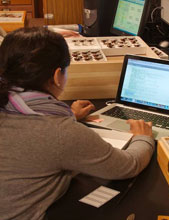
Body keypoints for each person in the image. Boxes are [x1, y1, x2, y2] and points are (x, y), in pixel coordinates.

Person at [0, 27, 154, 220]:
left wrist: (70, 115)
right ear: (57, 76)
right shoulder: (60, 132)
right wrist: (143, 138)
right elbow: (128, 166)